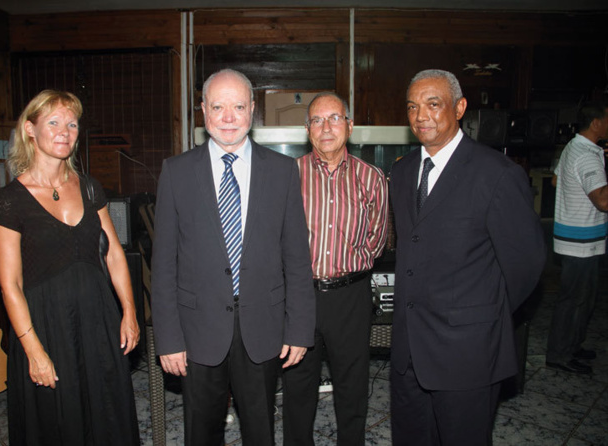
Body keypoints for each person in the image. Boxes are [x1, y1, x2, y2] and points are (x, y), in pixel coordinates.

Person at [151, 69, 315, 446]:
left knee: (261, 431)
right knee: (201, 432)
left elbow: (296, 258)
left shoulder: (282, 171)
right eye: (218, 107)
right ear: (203, 111)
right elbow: (163, 266)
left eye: (238, 106)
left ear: (252, 110)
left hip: (263, 327)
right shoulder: (176, 172)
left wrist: (299, 329)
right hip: (196, 330)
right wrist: (169, 338)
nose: (228, 117)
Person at [388, 69, 546, 445]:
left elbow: (527, 263)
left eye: (433, 104)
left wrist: (483, 318)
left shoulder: (497, 174)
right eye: (412, 106)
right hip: (409, 351)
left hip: (467, 354)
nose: (420, 115)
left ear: (459, 108)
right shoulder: (403, 170)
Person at [0, 90, 140, 446]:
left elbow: (114, 255)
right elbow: (10, 284)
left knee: (107, 413)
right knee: (56, 421)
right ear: (30, 129)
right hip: (44, 326)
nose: (64, 131)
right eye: (53, 122)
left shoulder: (90, 188)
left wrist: (130, 311)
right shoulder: (10, 200)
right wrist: (33, 349)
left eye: (71, 124)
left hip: (98, 319)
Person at [282, 92, 388, 445]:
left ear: (350, 125)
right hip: (299, 297)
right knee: (298, 386)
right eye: (316, 120)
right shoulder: (287, 176)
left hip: (351, 296)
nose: (326, 127)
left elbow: (376, 242)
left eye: (334, 118)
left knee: (352, 385)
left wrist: (348, 268)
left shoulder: (373, 178)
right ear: (307, 129)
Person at [546, 102, 608, 375]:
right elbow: (603, 201)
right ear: (595, 122)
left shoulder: (573, 146)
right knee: (576, 300)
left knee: (582, 298)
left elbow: (556, 181)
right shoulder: (586, 155)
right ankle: (560, 354)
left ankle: (572, 345)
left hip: (576, 236)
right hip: (581, 241)